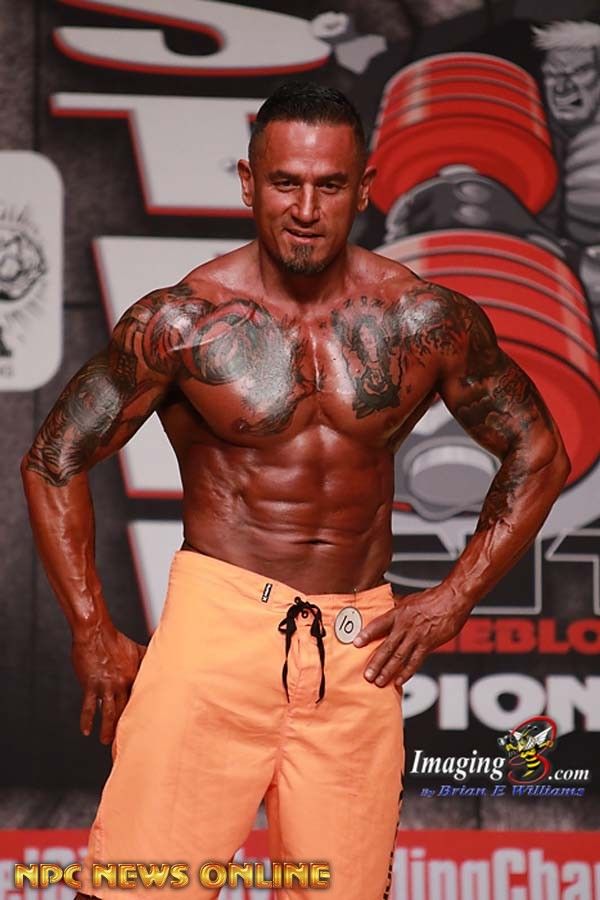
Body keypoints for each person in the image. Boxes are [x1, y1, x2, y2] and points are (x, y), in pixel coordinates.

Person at [21, 82, 570, 900]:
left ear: (365, 188)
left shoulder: (423, 319)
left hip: (357, 644)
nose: (307, 209)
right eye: (286, 183)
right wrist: (92, 629)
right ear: (249, 183)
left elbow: (539, 452)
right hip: (216, 633)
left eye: (329, 185)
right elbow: (53, 459)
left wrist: (453, 598)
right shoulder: (180, 323)